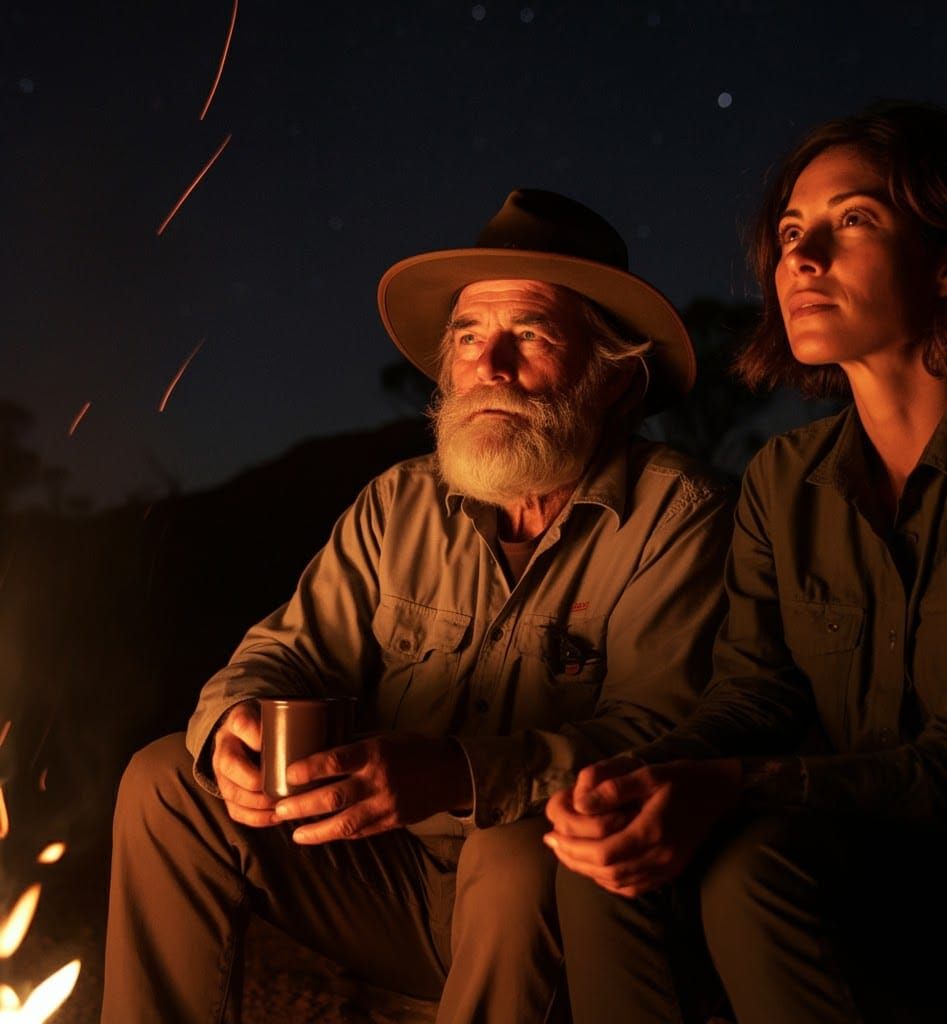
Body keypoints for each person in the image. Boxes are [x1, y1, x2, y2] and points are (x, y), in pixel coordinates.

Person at [101, 188, 734, 1023]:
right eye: (469, 337)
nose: (489, 366)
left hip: (564, 905)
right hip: (386, 882)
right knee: (164, 781)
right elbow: (283, 652)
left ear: (612, 376)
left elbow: (660, 734)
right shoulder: (399, 504)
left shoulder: (679, 515)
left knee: (518, 854)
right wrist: (235, 725)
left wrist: (455, 775)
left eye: (531, 337)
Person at [546, 103, 947, 1023]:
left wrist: (733, 787)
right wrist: (638, 777)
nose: (802, 260)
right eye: (792, 233)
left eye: (854, 221)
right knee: (608, 852)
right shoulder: (784, 480)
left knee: (755, 865)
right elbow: (755, 698)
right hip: (856, 861)